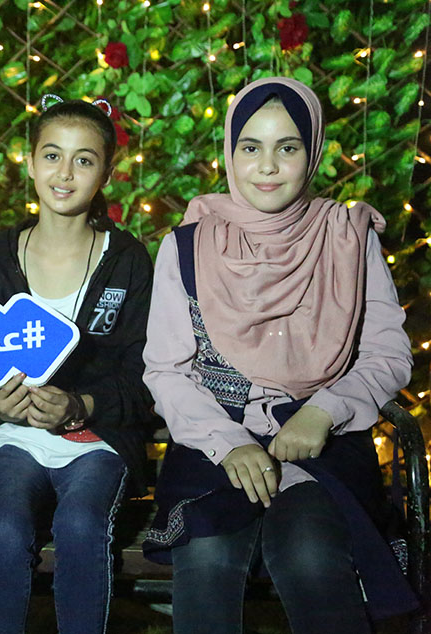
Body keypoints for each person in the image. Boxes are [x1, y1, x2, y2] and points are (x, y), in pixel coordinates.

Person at [142, 77, 418, 634]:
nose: (267, 166)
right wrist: (229, 442)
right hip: (216, 439)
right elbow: (166, 370)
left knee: (309, 553)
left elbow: (388, 353)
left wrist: (324, 410)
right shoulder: (188, 246)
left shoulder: (348, 236)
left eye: (287, 147)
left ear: (311, 154)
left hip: (323, 441)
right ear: (231, 152)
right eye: (251, 147)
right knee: (208, 556)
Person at [0, 96, 155, 634]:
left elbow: (145, 374)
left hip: (97, 439)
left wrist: (82, 404)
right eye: (52, 156)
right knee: (2, 528)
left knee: (80, 523)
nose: (65, 173)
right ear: (29, 163)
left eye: (84, 160)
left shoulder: (126, 260)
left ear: (107, 174)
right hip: (16, 437)